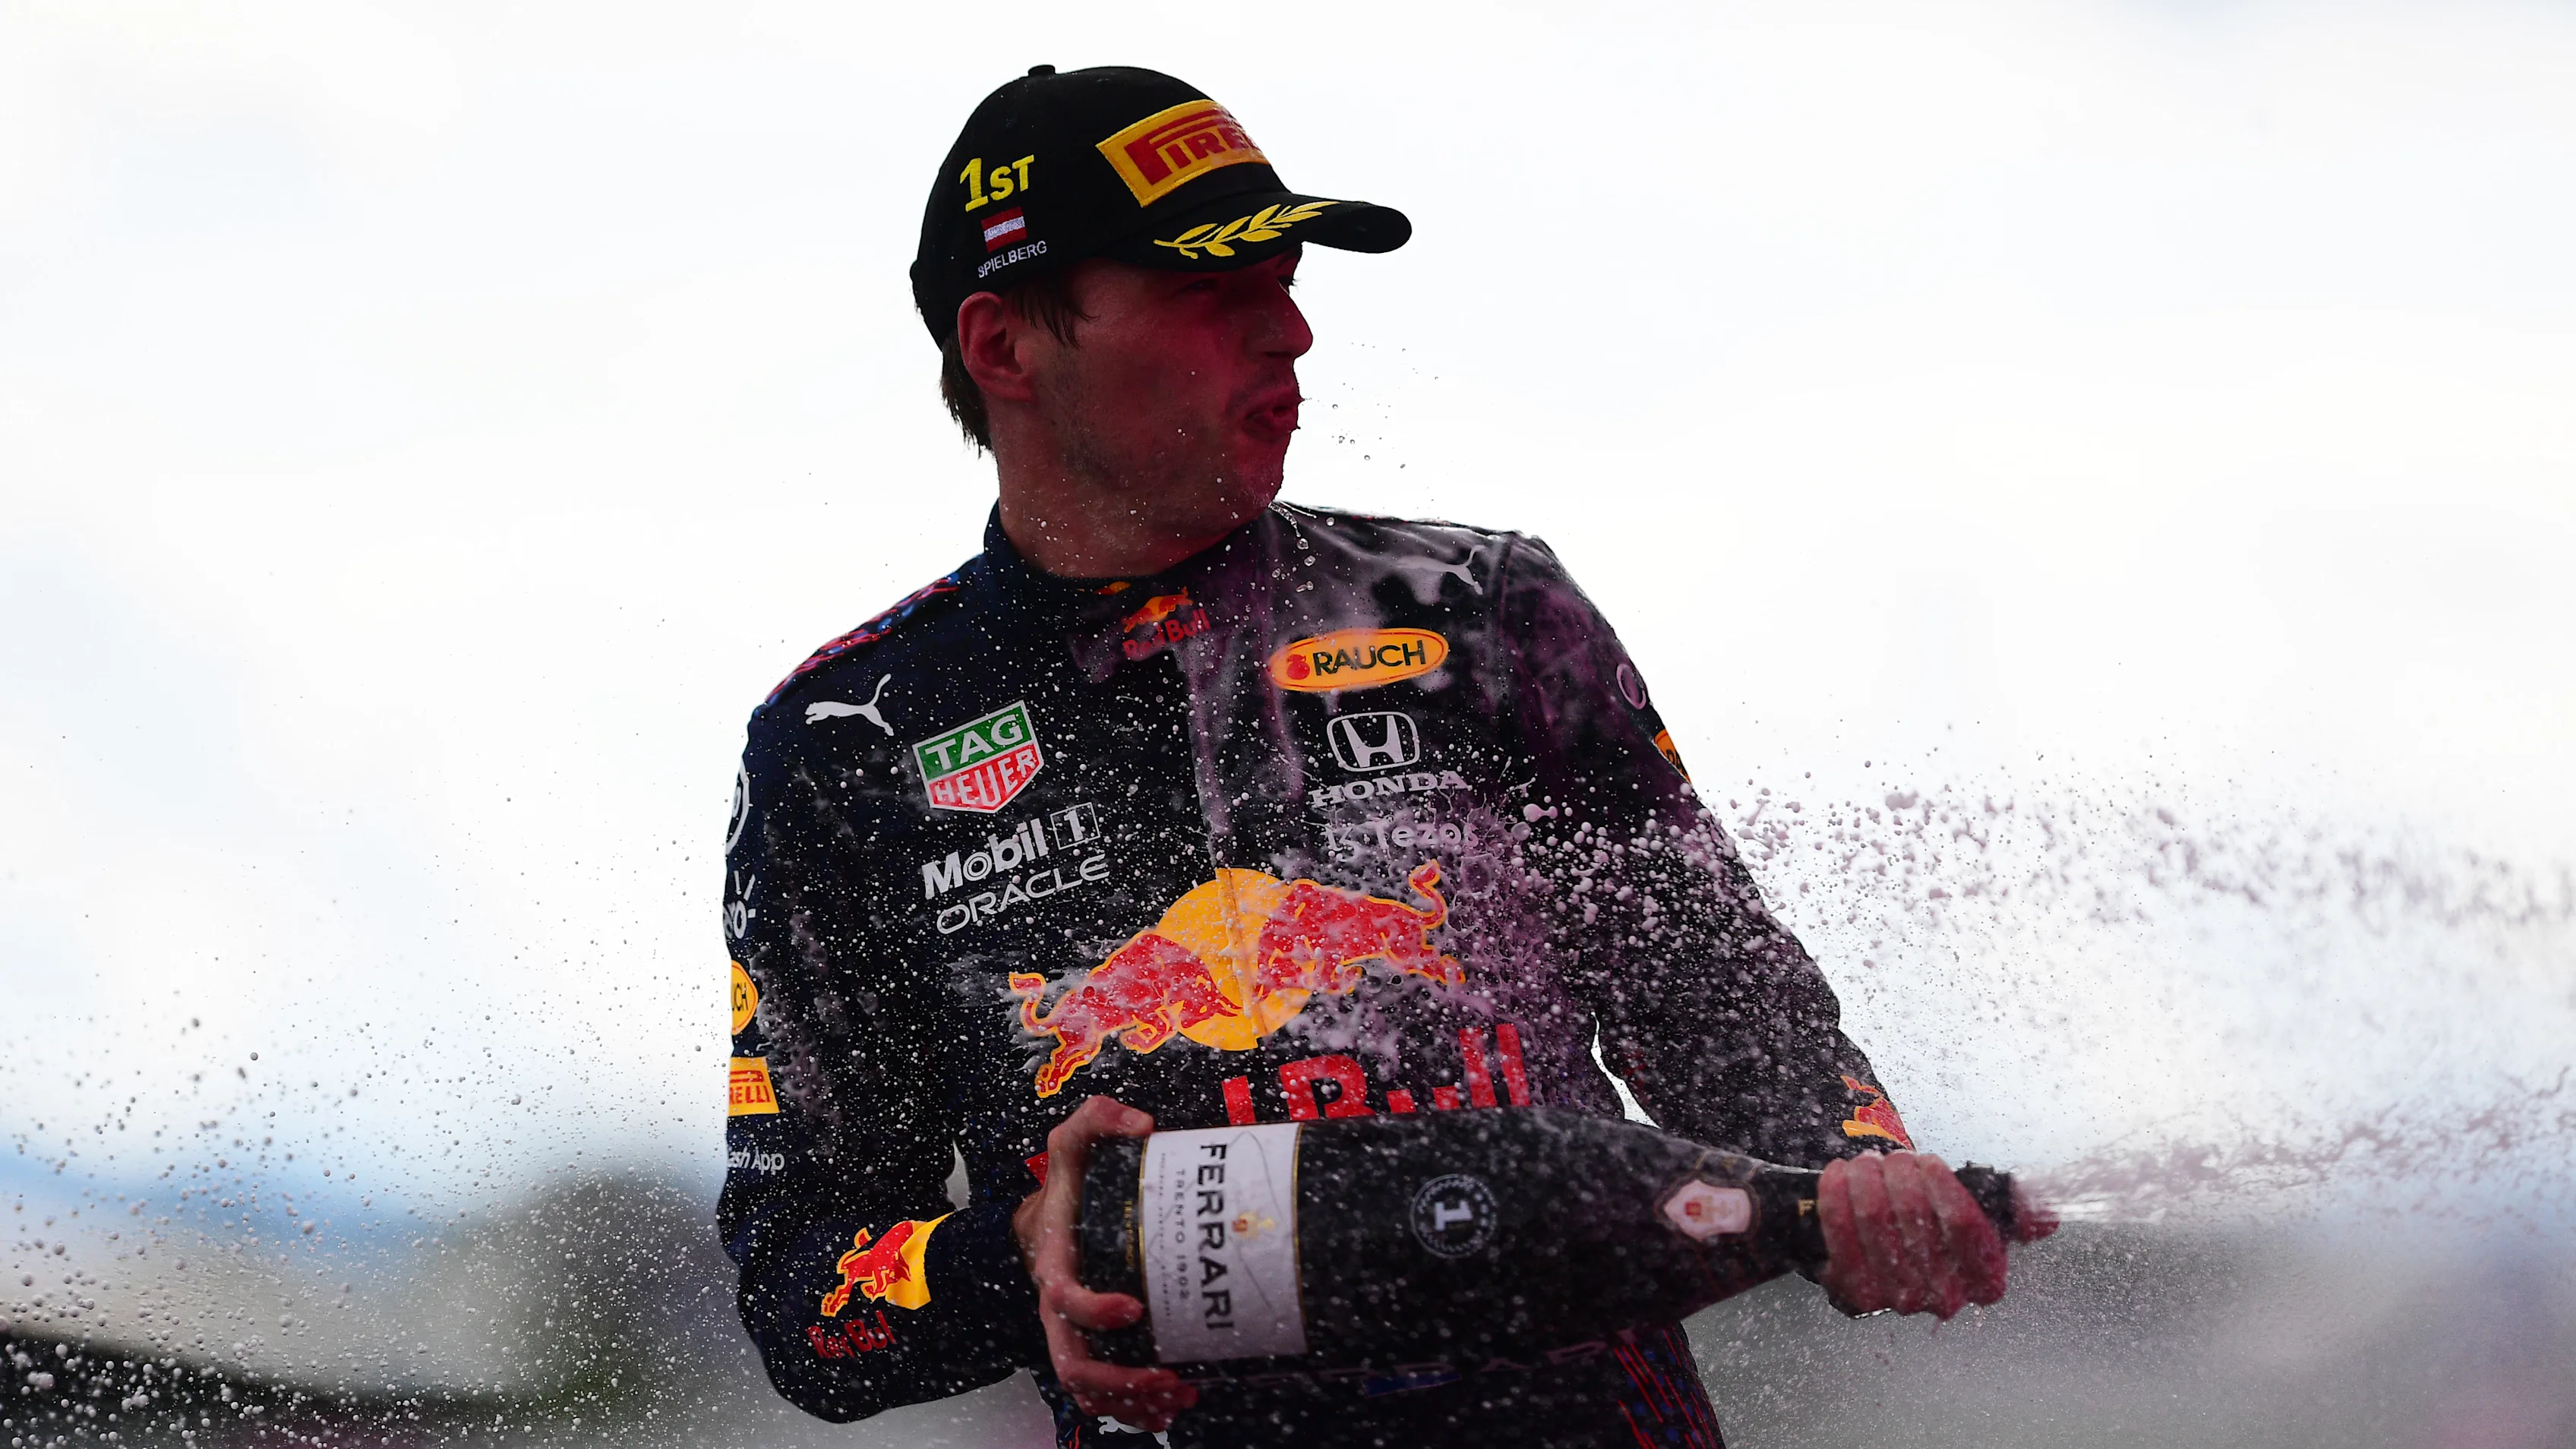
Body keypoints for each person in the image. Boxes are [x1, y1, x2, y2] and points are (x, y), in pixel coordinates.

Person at [720, 65, 2021, 1449]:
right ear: (1004, 347)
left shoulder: (1480, 613)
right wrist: (1010, 1260)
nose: (1293, 334)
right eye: (1215, 296)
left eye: (1284, 282)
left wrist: (1865, 1180)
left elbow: (1722, 1013)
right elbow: (808, 1304)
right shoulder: (846, 745)